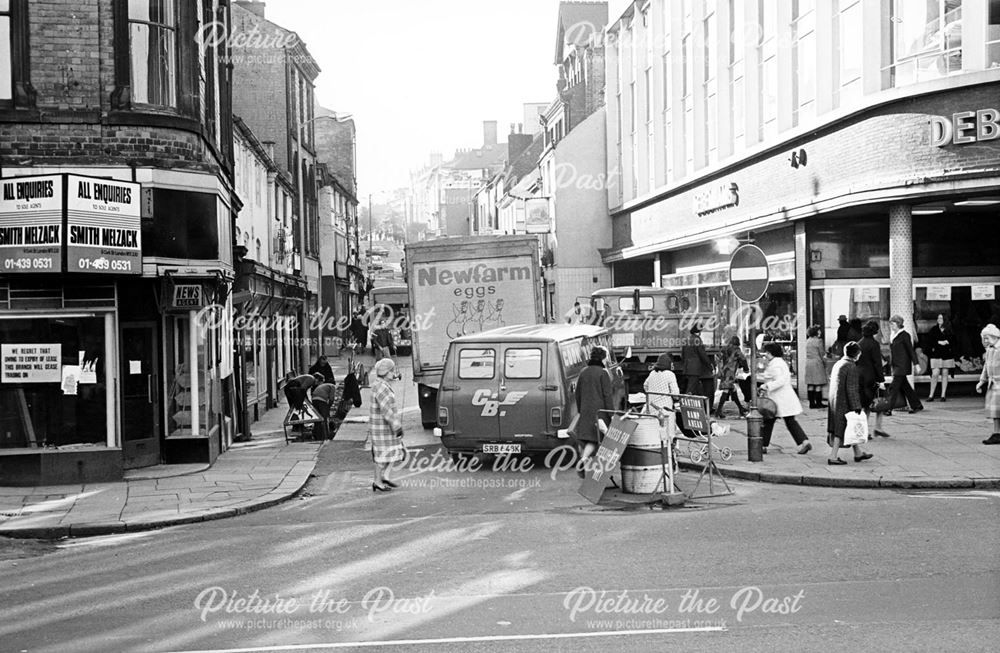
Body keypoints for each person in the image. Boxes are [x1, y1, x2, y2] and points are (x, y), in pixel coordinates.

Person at [758, 342, 812, 454]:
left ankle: (762, 445)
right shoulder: (779, 362)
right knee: (790, 421)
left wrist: (767, 386)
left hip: (779, 399)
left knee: (768, 421)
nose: (766, 354)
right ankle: (804, 441)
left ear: (772, 353)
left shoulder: (775, 364)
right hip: (785, 398)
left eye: (767, 352)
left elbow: (780, 380)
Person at [826, 342, 873, 465]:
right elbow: (851, 388)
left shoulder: (839, 363)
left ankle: (858, 453)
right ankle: (833, 456)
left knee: (849, 427)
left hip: (835, 401)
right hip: (844, 403)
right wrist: (856, 406)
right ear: (856, 354)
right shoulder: (851, 366)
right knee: (840, 430)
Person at [365, 358, 405, 492]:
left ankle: (384, 477)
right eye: (392, 370)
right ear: (386, 372)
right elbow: (386, 410)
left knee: (391, 452)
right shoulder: (382, 388)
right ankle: (378, 481)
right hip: (383, 427)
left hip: (383, 427)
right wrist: (396, 425)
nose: (394, 373)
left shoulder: (380, 385)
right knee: (382, 456)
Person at [575, 346, 615, 476]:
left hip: (585, 410)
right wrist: (612, 414)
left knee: (586, 439)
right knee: (597, 439)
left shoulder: (583, 372)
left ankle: (584, 460)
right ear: (603, 358)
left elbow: (578, 393)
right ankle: (588, 463)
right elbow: (607, 395)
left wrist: (581, 410)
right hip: (600, 412)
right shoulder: (603, 373)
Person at [857, 320, 889, 438]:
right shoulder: (874, 344)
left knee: (865, 405)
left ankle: (868, 429)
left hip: (860, 377)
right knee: (878, 402)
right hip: (871, 377)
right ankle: (876, 427)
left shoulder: (859, 343)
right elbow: (877, 363)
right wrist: (881, 379)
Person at [887, 314, 924, 414]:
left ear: (898, 324)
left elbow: (911, 351)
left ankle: (888, 408)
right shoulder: (893, 335)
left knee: (894, 387)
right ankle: (917, 405)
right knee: (906, 387)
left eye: (893, 323)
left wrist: (916, 364)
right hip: (896, 365)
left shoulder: (905, 335)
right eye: (890, 323)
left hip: (902, 366)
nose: (891, 325)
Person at [682, 325, 716, 413]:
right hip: (695, 369)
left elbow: (683, 354)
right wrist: (710, 365)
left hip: (687, 367)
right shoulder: (697, 340)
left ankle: (696, 408)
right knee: (691, 389)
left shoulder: (686, 339)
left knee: (694, 389)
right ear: (698, 331)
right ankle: (685, 409)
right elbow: (702, 354)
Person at [976, 324, 1000, 445]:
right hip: (993, 383)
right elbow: (986, 367)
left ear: (994, 336)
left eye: (987, 337)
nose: (985, 340)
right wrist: (982, 381)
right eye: (984, 338)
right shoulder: (990, 350)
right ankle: (997, 433)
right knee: (995, 411)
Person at [714, 337, 748, 418]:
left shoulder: (725, 349)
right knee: (726, 390)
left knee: (733, 389)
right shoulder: (737, 350)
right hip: (730, 372)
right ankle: (718, 411)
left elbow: (719, 355)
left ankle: (741, 409)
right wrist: (746, 369)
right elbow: (743, 359)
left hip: (724, 371)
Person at [927, 314, 955, 402]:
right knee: (935, 373)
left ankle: (943, 395)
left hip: (947, 354)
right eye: (938, 318)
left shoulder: (949, 329)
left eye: (941, 318)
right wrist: (938, 342)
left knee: (945, 373)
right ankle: (931, 395)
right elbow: (929, 341)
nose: (939, 319)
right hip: (936, 354)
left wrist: (947, 342)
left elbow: (954, 340)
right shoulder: (934, 329)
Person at [805, 325, 829, 409]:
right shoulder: (819, 341)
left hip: (809, 363)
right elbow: (822, 354)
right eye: (819, 331)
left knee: (811, 384)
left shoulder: (808, 341)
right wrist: (825, 362)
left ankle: (811, 403)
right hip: (817, 363)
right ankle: (818, 403)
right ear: (816, 332)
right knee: (818, 383)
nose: (820, 332)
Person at [310, 373, 336, 441]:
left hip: (314, 400)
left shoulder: (324, 386)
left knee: (317, 418)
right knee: (324, 419)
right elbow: (331, 399)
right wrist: (328, 406)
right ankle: (326, 436)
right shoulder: (333, 386)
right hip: (321, 400)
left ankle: (317, 435)